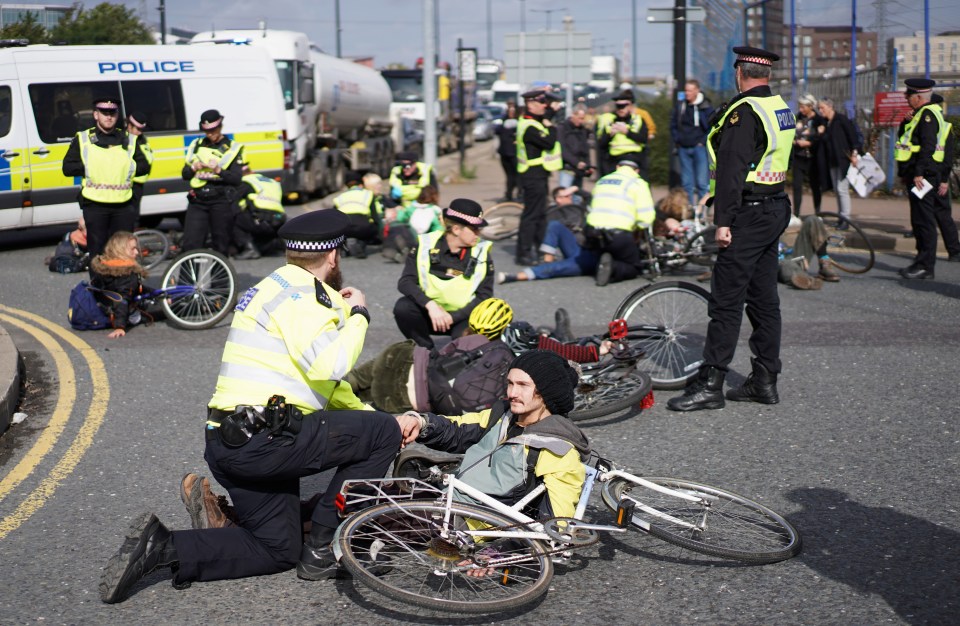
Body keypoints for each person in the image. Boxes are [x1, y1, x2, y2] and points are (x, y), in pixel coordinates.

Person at [99, 209, 404, 603]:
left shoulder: (267, 288)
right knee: (383, 433)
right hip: (266, 442)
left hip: (228, 444)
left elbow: (325, 385)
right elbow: (332, 364)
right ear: (333, 257)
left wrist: (363, 417)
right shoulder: (312, 297)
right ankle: (325, 548)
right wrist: (358, 314)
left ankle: (163, 547)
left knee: (277, 549)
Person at [667, 46, 795, 412]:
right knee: (764, 299)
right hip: (774, 208)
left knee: (725, 302)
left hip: (747, 213)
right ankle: (764, 380)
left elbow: (732, 170)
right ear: (765, 74)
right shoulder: (778, 107)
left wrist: (722, 221)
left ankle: (711, 383)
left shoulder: (745, 112)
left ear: (740, 73)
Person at [396, 350, 590, 525]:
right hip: (446, 493)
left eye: (523, 385)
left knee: (376, 517)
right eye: (510, 383)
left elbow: (556, 527)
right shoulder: (503, 415)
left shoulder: (557, 450)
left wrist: (499, 554)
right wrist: (421, 423)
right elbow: (458, 430)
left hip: (465, 523)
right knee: (376, 488)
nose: (512, 393)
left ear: (547, 393)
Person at [393, 198, 494, 348]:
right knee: (403, 307)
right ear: (456, 230)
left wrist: (452, 317)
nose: (478, 234)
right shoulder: (425, 244)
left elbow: (484, 296)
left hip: (462, 317)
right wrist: (431, 305)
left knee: (464, 348)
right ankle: (425, 349)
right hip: (430, 313)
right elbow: (406, 282)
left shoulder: (482, 251)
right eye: (474, 229)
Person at [61, 95, 150, 259]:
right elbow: (67, 168)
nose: (108, 116)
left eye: (112, 113)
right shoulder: (83, 139)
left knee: (123, 252)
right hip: (95, 205)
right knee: (98, 253)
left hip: (123, 205)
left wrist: (120, 167)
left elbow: (144, 166)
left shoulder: (129, 140)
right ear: (96, 115)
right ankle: (98, 284)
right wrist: (93, 167)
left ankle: (122, 284)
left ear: (117, 115)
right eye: (104, 112)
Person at [895, 79, 947, 279]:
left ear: (918, 97)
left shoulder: (927, 115)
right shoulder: (918, 115)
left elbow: (927, 146)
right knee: (918, 220)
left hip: (923, 176)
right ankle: (920, 262)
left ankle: (926, 266)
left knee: (924, 221)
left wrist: (917, 173)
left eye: (908, 95)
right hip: (918, 175)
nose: (906, 99)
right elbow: (907, 142)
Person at [499, 186, 597, 283]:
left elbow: (589, 197)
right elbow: (543, 231)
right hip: (571, 247)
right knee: (554, 226)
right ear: (558, 198)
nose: (570, 198)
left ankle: (524, 274)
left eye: (570, 195)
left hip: (585, 246)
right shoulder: (551, 213)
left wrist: (575, 189)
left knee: (562, 267)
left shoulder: (579, 207)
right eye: (566, 196)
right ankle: (546, 262)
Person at [181, 109, 245, 256]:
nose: (210, 134)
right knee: (191, 245)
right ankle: (188, 279)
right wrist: (193, 167)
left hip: (220, 201)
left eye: (213, 130)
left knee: (221, 245)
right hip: (198, 200)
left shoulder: (232, 147)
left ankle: (220, 279)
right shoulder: (196, 145)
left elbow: (236, 179)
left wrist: (218, 170)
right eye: (206, 131)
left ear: (220, 127)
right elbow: (184, 175)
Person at [584, 159, 656, 286]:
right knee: (634, 266)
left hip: (593, 232)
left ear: (617, 167)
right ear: (637, 171)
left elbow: (590, 207)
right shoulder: (638, 183)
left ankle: (600, 263)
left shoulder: (602, 180)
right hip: (618, 235)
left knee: (600, 252)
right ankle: (613, 268)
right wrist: (637, 231)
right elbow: (646, 217)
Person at [516, 88, 563, 266]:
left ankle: (541, 250)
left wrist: (551, 112)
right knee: (531, 215)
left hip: (538, 175)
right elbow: (550, 141)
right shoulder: (529, 127)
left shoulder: (532, 122)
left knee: (540, 215)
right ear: (531, 104)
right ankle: (524, 253)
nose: (545, 106)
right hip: (532, 176)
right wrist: (551, 126)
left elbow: (544, 117)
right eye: (542, 103)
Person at [88, 230, 147, 339]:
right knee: (167, 308)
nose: (137, 253)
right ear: (120, 251)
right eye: (132, 249)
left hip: (104, 305)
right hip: (121, 312)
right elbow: (121, 299)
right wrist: (120, 326)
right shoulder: (126, 274)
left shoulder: (105, 266)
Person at [816, 98, 861, 229]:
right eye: (819, 108)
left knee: (842, 189)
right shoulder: (826, 123)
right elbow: (826, 141)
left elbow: (853, 137)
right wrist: (821, 133)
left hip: (843, 160)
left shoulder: (841, 120)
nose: (820, 111)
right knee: (837, 189)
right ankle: (841, 217)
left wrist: (854, 153)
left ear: (830, 107)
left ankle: (846, 219)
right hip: (832, 160)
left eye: (822, 108)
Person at [670, 79, 714, 207]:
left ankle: (702, 212)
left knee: (702, 182)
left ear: (697, 91)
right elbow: (673, 124)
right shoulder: (680, 106)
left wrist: (703, 141)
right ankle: (688, 210)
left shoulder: (705, 107)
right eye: (686, 90)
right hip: (683, 147)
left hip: (699, 148)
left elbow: (713, 126)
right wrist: (677, 139)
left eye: (689, 90)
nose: (687, 93)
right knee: (686, 183)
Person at [231, 165, 286, 259]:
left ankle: (249, 249)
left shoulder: (246, 181)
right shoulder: (271, 181)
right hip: (279, 220)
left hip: (261, 219)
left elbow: (233, 200)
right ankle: (279, 248)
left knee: (233, 219)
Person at [929, 93, 960, 263]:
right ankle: (954, 250)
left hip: (935, 174)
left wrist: (944, 180)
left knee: (940, 213)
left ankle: (954, 250)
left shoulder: (941, 126)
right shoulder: (943, 124)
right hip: (934, 174)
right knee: (934, 213)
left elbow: (947, 156)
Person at [381, 185, 443, 262]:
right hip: (425, 239)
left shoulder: (412, 207)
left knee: (398, 227)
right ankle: (411, 252)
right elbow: (438, 227)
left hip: (410, 234)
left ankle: (402, 249)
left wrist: (399, 210)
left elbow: (400, 218)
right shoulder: (435, 210)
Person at [596, 89, 647, 177]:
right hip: (615, 160)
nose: (620, 109)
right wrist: (610, 134)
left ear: (630, 106)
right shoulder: (610, 122)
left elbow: (643, 139)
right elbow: (601, 144)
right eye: (618, 106)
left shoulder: (638, 120)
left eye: (623, 106)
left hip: (634, 158)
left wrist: (627, 132)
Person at [333, 170, 383, 258]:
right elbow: (375, 216)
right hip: (362, 227)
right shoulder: (368, 195)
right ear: (361, 184)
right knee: (370, 228)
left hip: (344, 229)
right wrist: (379, 233)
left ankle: (344, 247)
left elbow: (333, 217)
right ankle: (361, 243)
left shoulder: (339, 197)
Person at [791, 94, 824, 216]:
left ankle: (818, 213)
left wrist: (809, 142)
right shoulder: (798, 118)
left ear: (811, 106)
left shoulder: (818, 120)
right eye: (800, 107)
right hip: (799, 156)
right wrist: (794, 141)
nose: (801, 109)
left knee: (815, 186)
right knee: (797, 186)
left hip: (812, 158)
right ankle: (796, 213)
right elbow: (790, 133)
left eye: (803, 107)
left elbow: (821, 137)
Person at [558, 105, 594, 189]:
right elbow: (562, 149)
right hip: (567, 168)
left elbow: (585, 149)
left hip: (580, 170)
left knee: (577, 198)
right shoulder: (562, 128)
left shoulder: (583, 130)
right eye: (579, 118)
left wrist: (588, 165)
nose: (581, 121)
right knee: (565, 193)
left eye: (583, 118)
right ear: (573, 115)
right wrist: (576, 163)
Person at [126, 111, 153, 223]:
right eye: (137, 129)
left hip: (138, 186)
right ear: (129, 126)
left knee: (133, 218)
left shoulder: (142, 140)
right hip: (127, 185)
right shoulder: (123, 141)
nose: (139, 132)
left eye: (141, 130)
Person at [495, 101, 520, 201]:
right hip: (504, 151)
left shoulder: (519, 121)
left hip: (515, 153)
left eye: (513, 110)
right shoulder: (503, 120)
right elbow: (497, 131)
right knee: (509, 175)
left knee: (517, 175)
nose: (511, 112)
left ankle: (519, 194)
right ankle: (508, 194)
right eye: (509, 110)